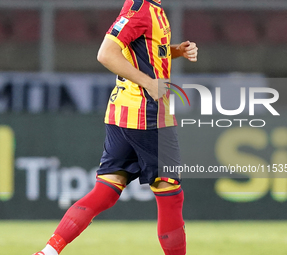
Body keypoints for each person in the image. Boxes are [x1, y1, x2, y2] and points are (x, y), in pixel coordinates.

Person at [32, 0, 197, 254]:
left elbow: (140, 51)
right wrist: (149, 83)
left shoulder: (148, 8)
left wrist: (175, 50)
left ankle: (48, 251)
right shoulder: (141, 9)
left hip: (121, 113)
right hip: (147, 114)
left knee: (106, 190)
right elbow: (106, 54)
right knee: (170, 194)